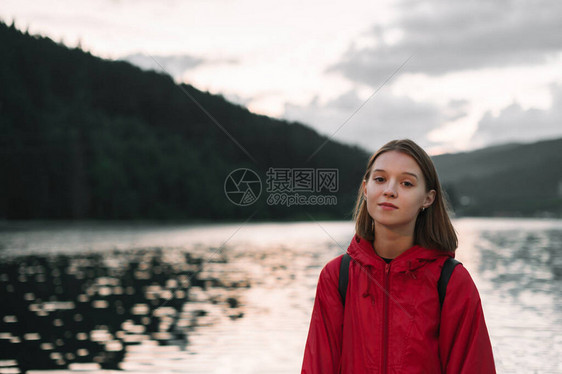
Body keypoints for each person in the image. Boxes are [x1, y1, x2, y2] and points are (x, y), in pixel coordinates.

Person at [301, 139, 496, 373]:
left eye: (406, 183)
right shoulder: (337, 277)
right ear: (366, 188)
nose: (389, 191)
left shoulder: (451, 282)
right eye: (380, 179)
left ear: (428, 198)